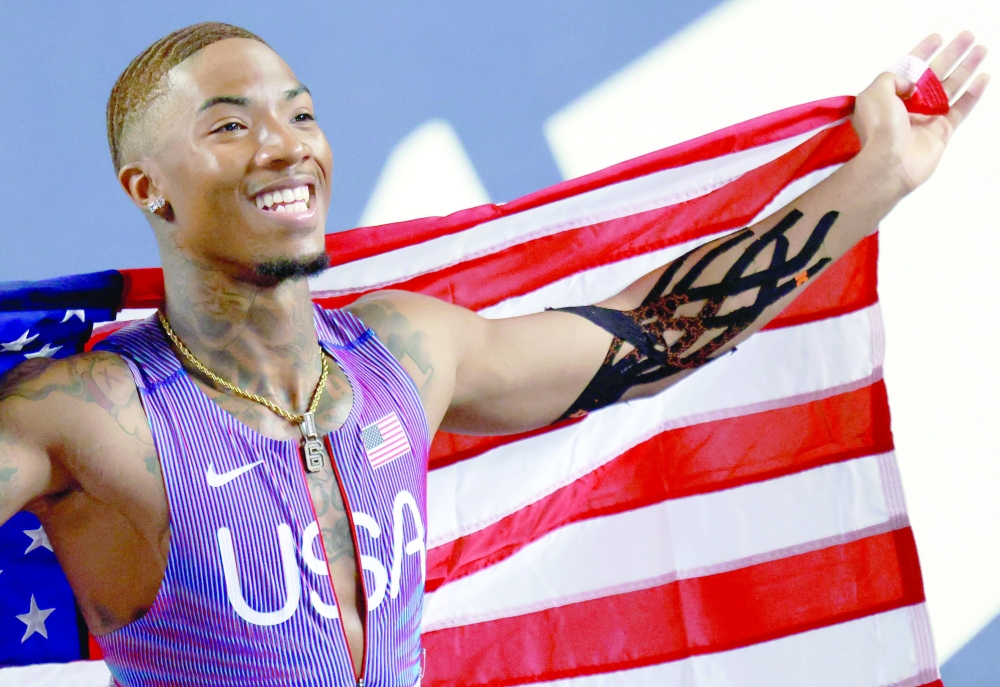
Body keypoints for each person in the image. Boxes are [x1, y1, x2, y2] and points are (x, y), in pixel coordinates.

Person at [0, 21, 988, 687]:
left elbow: (655, 336)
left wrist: (873, 185)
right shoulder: (86, 415)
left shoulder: (406, 353)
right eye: (230, 125)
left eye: (301, 114)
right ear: (149, 187)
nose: (285, 145)